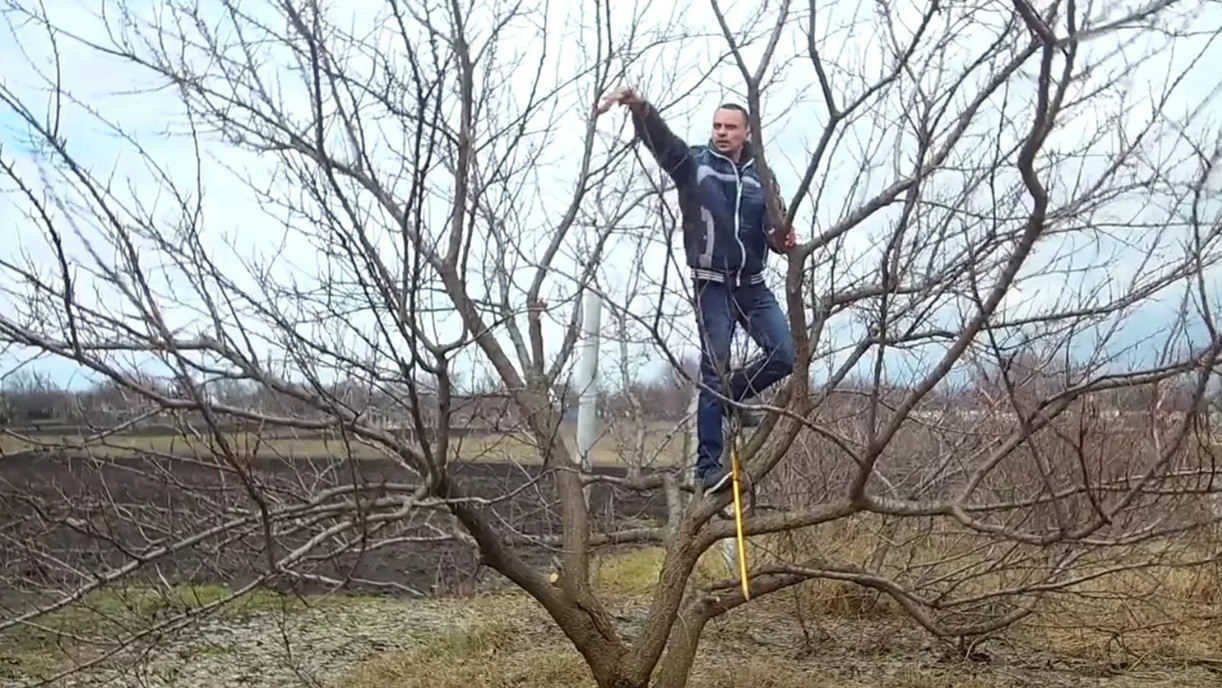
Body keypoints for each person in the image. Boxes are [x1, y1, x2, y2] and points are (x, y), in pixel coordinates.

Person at [594, 87, 797, 496]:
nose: (721, 132)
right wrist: (640, 108)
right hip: (712, 285)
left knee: (785, 355)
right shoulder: (695, 165)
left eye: (730, 127)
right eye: (717, 126)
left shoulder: (762, 175)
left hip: (752, 285)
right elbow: (663, 144)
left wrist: (783, 237)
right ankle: (707, 468)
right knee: (713, 371)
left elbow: (773, 228)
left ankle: (731, 399)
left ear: (747, 132)